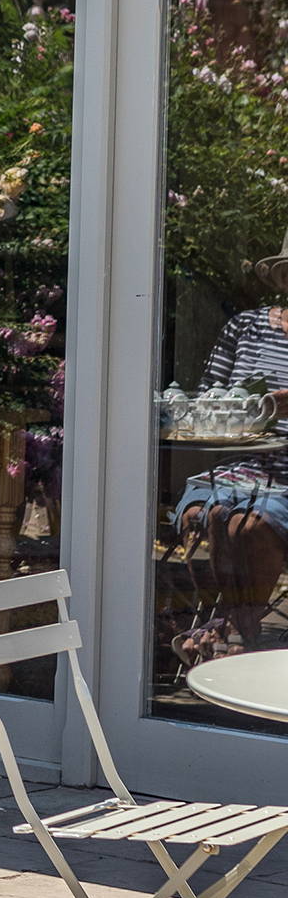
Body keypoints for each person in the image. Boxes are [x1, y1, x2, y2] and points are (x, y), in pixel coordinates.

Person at [172, 228, 288, 658]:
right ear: (282, 279)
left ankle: (232, 635)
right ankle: (233, 634)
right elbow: (206, 399)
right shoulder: (244, 327)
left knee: (252, 526)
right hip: (238, 462)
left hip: (286, 472)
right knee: (207, 514)